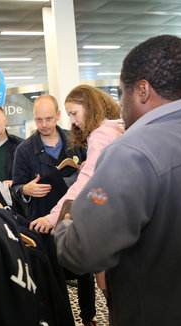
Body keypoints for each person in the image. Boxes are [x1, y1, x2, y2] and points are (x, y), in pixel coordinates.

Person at [55, 35, 181, 326]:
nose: (121, 106)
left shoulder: (129, 154)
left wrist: (65, 220)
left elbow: (82, 253)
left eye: (122, 93)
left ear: (141, 90)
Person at [12, 95, 100, 326]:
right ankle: (58, 323)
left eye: (48, 118)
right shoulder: (24, 150)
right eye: (39, 119)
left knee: (85, 271)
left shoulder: (77, 141)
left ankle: (89, 316)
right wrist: (25, 190)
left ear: (58, 115)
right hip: (42, 221)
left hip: (76, 218)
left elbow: (92, 177)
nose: (44, 124)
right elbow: (16, 186)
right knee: (50, 275)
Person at [30, 85, 125, 296]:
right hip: (125, 215)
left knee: (111, 290)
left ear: (89, 107)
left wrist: (53, 217)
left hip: (112, 222)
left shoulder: (100, 135)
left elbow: (85, 183)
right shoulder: (117, 127)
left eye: (74, 113)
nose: (72, 121)